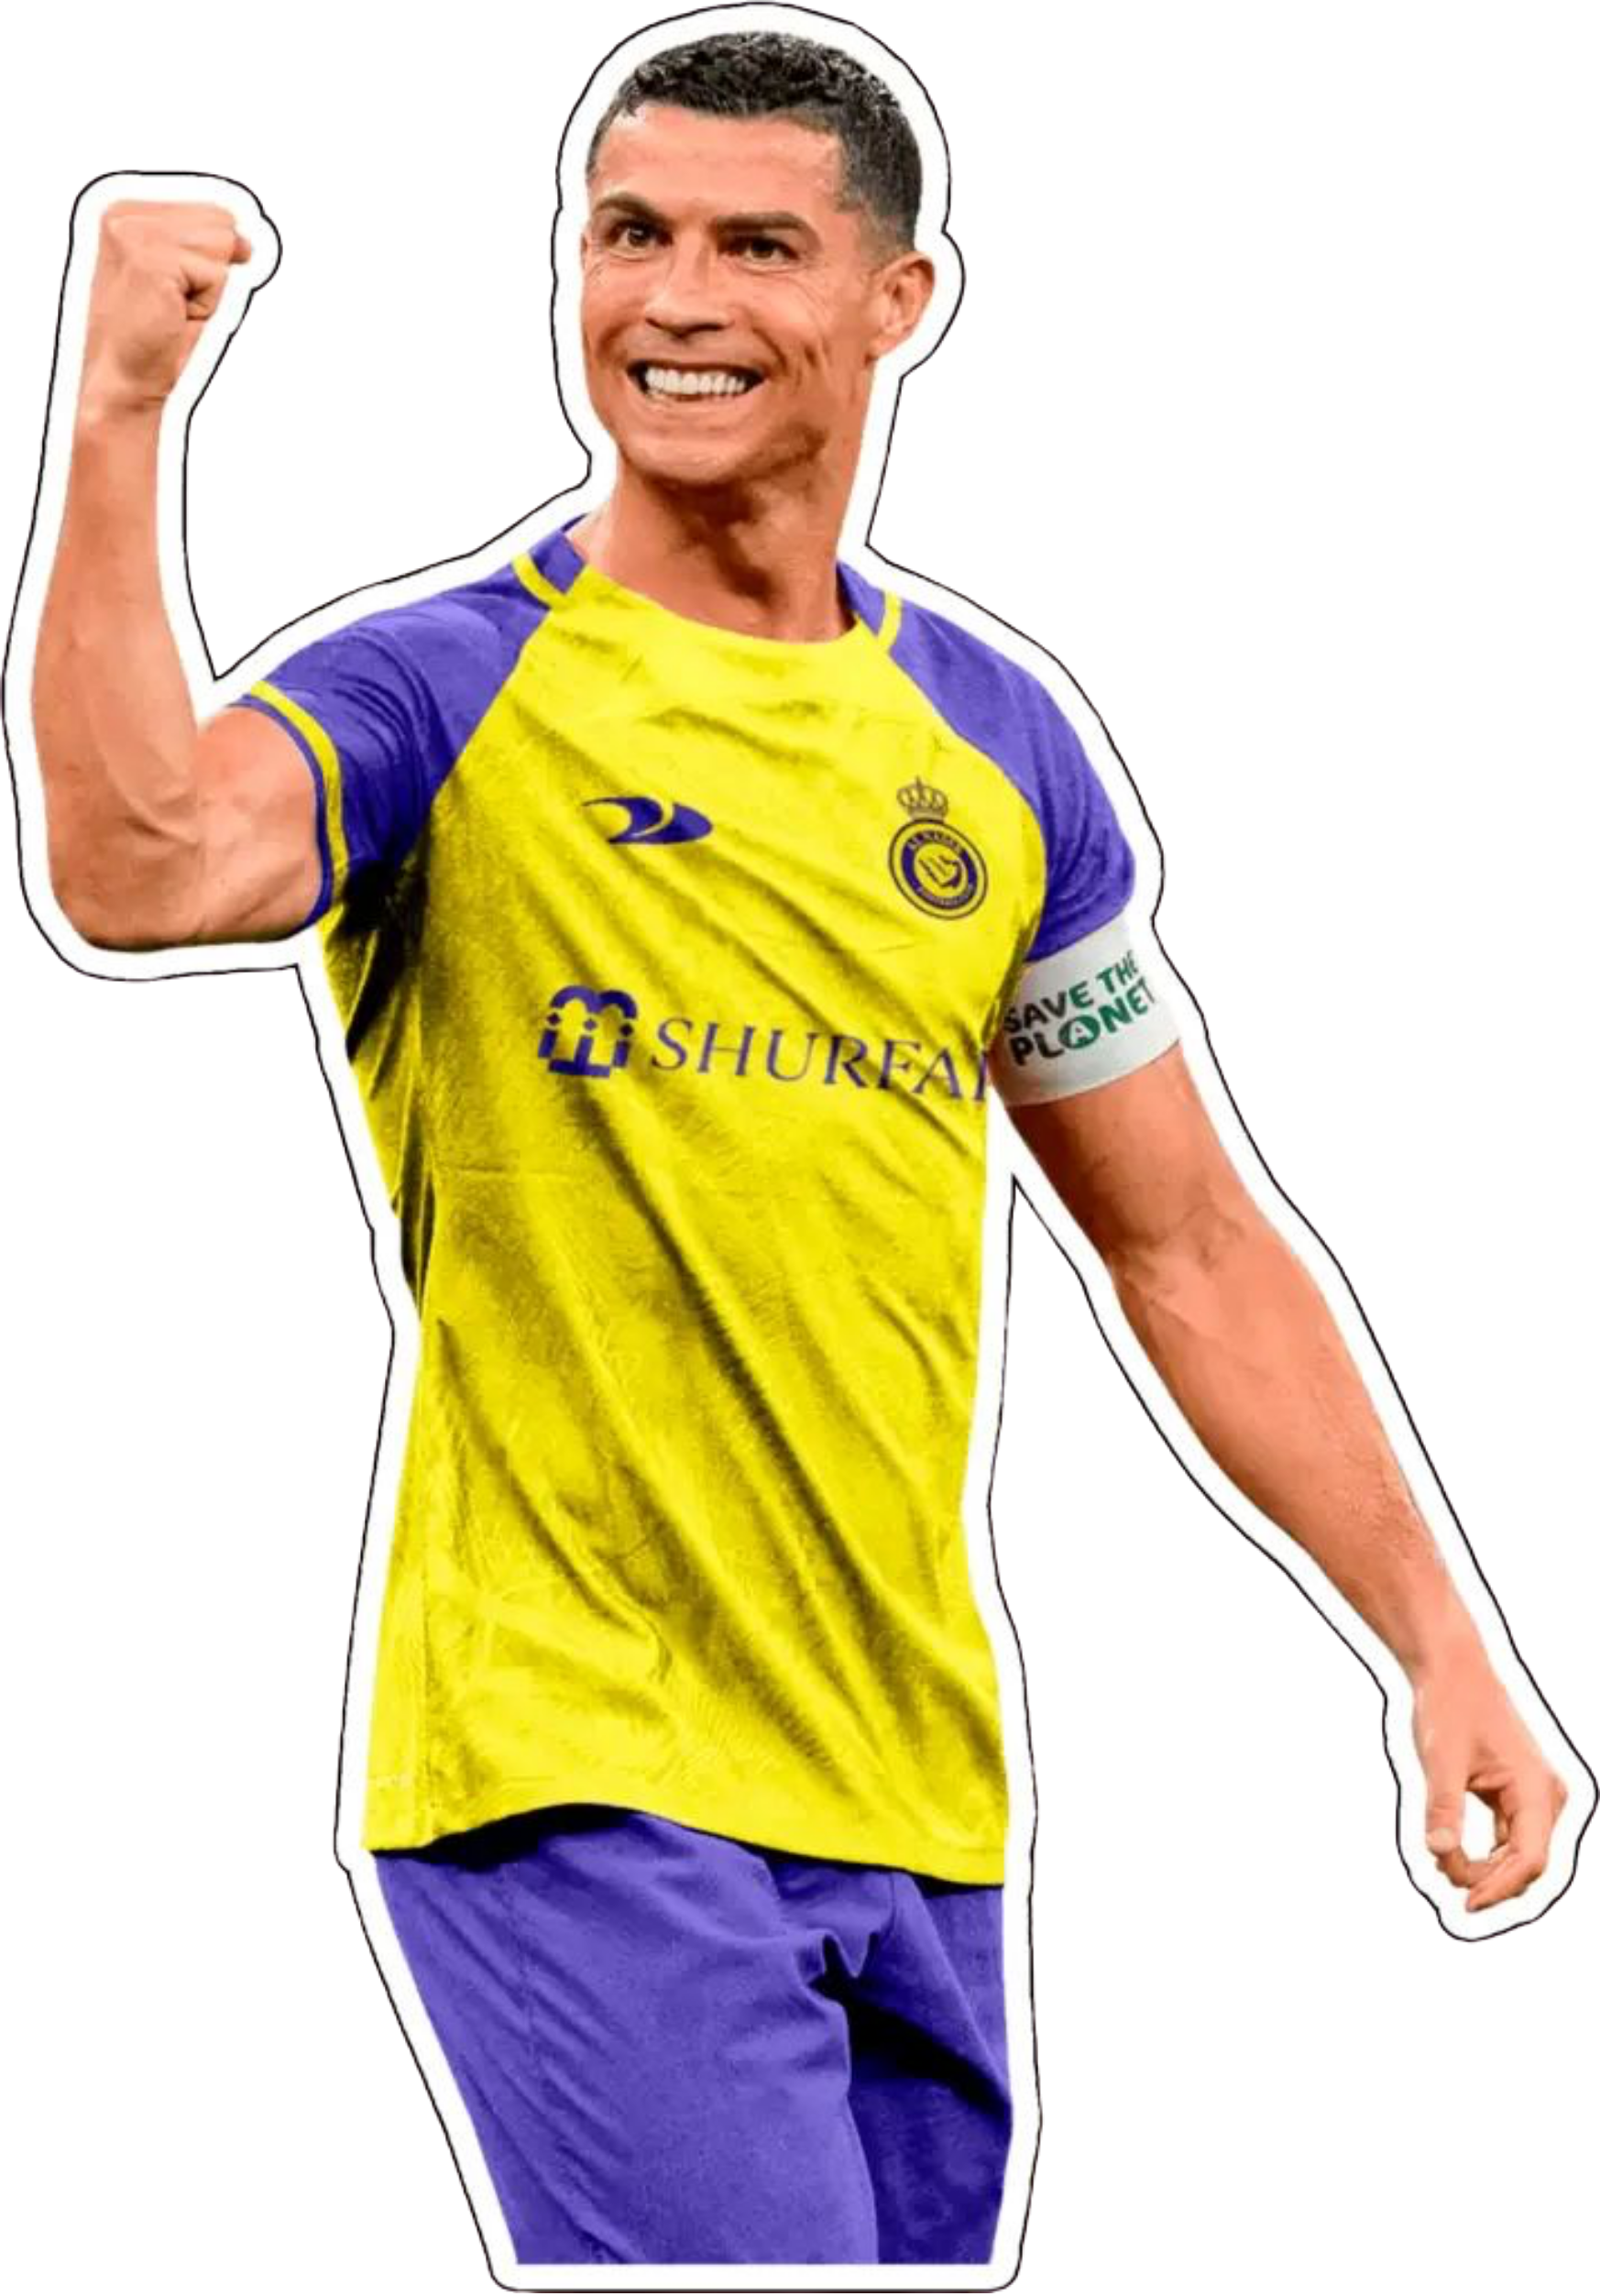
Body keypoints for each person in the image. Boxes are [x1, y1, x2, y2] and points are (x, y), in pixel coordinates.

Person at [28, 19, 1576, 2274]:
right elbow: (141, 865)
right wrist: (119, 415)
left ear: (899, 297)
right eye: (626, 235)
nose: (673, 299)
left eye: (757, 246)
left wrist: (1440, 1640)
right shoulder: (444, 685)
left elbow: (1192, 1244)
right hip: (574, 1771)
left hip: (919, 1788)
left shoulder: (996, 737)